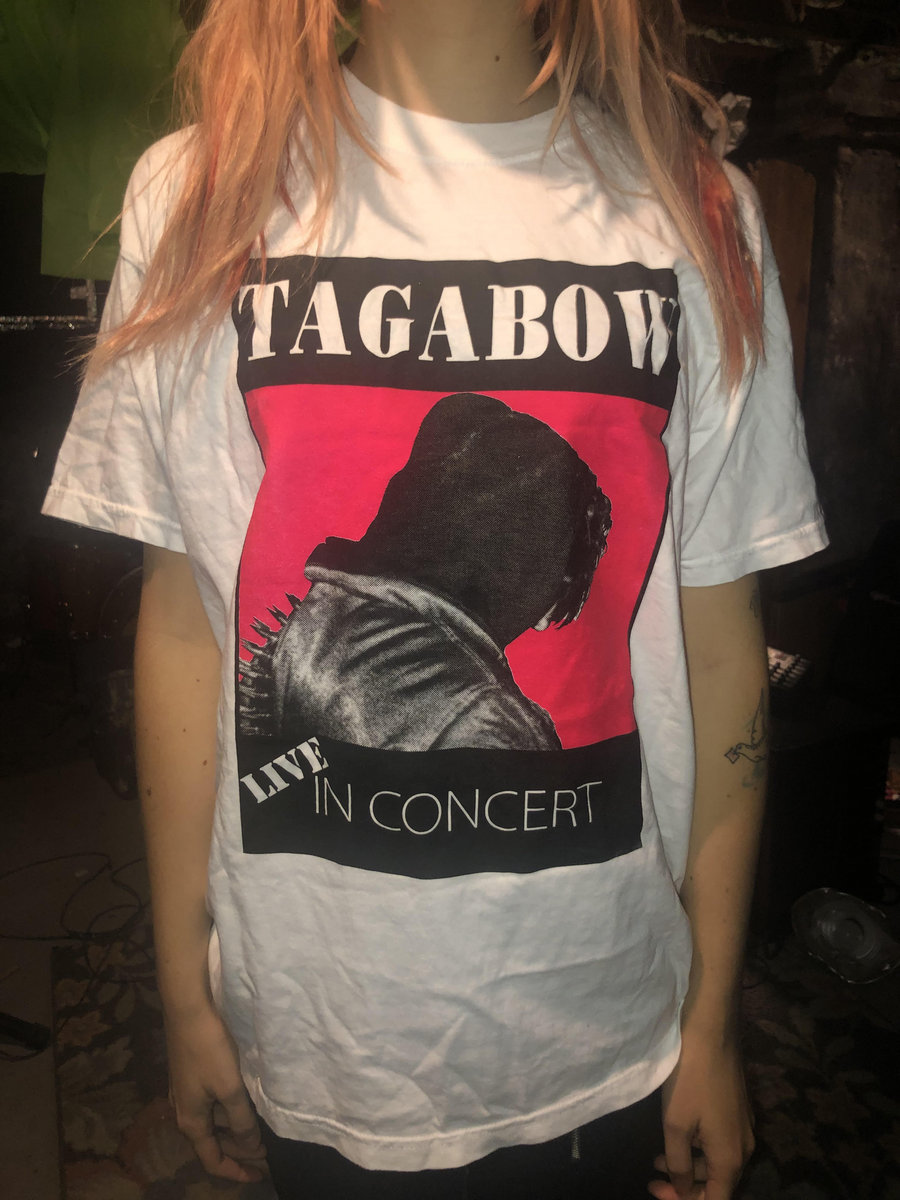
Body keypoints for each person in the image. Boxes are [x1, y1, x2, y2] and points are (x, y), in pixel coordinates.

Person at [43, 1, 827, 1197]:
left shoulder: (697, 210)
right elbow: (186, 620)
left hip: (597, 1017)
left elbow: (722, 641)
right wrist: (183, 987)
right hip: (315, 1018)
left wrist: (712, 1019)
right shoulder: (203, 190)